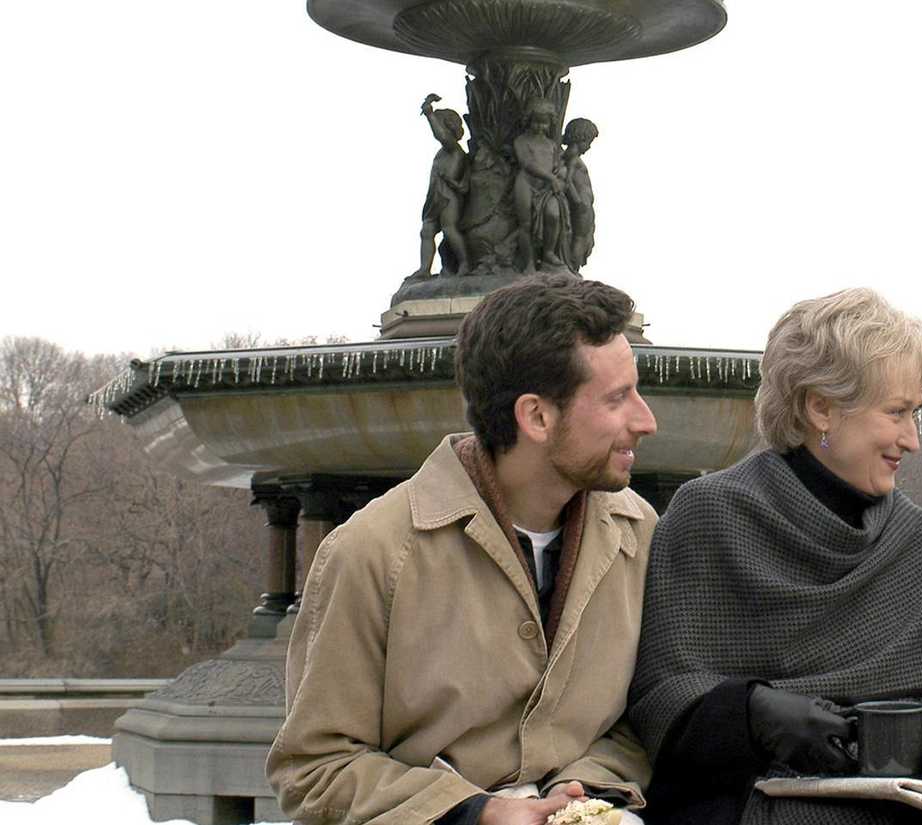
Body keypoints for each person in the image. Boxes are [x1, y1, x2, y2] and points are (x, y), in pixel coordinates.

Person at [267, 275, 660, 825]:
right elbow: (315, 770)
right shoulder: (369, 554)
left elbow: (641, 720)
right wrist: (473, 813)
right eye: (618, 398)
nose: (647, 421)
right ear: (537, 417)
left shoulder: (641, 534)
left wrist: (591, 790)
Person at [628, 287, 922, 824]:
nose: (913, 439)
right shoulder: (708, 516)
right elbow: (660, 692)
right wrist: (752, 714)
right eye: (897, 413)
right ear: (821, 408)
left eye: (917, 413)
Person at [413, 93, 470, 278]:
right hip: (435, 195)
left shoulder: (453, 149)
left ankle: (465, 263)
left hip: (449, 196)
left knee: (448, 228)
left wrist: (429, 114)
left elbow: (442, 136)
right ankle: (424, 269)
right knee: (427, 230)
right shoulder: (442, 152)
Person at [513, 98, 566, 272]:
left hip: (547, 188)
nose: (540, 127)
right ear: (529, 120)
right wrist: (551, 178)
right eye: (536, 122)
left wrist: (559, 172)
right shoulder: (521, 140)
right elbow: (526, 163)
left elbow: (558, 164)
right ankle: (528, 262)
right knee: (525, 224)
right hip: (526, 183)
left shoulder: (552, 145)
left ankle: (548, 253)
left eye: (544, 123)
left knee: (553, 215)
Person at [560, 117, 599, 272]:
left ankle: (572, 268)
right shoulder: (572, 159)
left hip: (584, 206)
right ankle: (572, 268)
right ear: (579, 138)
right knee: (579, 238)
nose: (588, 147)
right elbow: (568, 181)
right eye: (588, 142)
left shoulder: (572, 158)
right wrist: (577, 201)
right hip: (581, 206)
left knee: (583, 238)